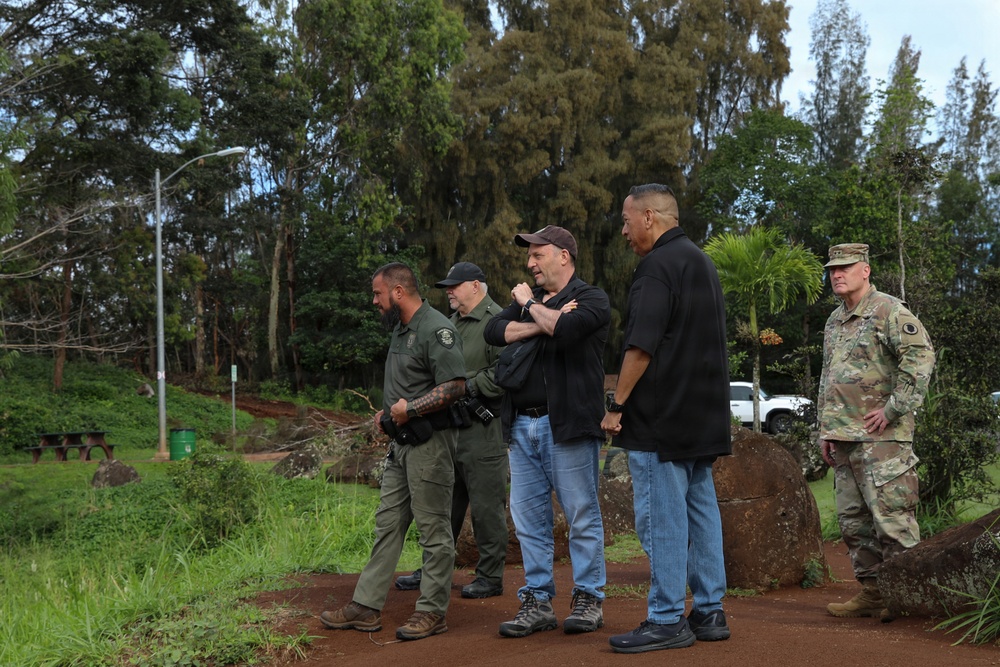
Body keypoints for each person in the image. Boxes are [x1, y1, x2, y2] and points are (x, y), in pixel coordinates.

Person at [600, 184, 732, 653]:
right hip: (702, 416)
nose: (623, 231)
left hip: (662, 417)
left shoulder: (657, 266)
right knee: (701, 511)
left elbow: (641, 345)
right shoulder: (701, 262)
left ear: (649, 218)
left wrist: (616, 405)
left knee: (661, 518)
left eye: (626, 220)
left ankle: (666, 617)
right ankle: (710, 611)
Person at [320, 262, 467, 641]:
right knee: (387, 525)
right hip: (400, 445)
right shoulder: (402, 329)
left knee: (434, 530)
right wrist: (388, 414)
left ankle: (432, 611)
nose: (374, 301)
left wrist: (410, 409)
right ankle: (365, 606)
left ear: (398, 292)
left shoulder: (437, 329)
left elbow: (455, 386)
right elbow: (410, 383)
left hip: (430, 446)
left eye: (378, 294)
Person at [483, 225, 610, 638]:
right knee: (528, 521)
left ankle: (588, 598)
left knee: (581, 515)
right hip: (521, 424)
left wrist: (529, 307)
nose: (530, 264)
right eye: (529, 256)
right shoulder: (532, 302)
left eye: (538, 255)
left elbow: (568, 330)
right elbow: (494, 332)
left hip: (567, 425)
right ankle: (537, 601)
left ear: (563, 256)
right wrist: (542, 318)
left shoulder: (591, 298)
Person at [817, 243, 935, 619]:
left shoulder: (888, 310)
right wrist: (825, 429)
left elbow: (920, 357)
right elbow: (828, 377)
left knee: (892, 520)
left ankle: (908, 597)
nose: (837, 274)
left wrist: (893, 408)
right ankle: (874, 592)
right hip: (844, 437)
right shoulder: (835, 320)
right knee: (854, 523)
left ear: (865, 270)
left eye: (845, 267)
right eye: (832, 269)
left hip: (883, 440)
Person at [395, 261, 509, 599]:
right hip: (448, 430)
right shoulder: (450, 324)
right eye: (447, 287)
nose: (449, 292)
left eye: (454, 286)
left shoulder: (498, 321)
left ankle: (490, 576)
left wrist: (465, 386)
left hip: (482, 428)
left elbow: (505, 372)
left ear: (475, 286)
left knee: (486, 508)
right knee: (442, 506)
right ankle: (433, 570)